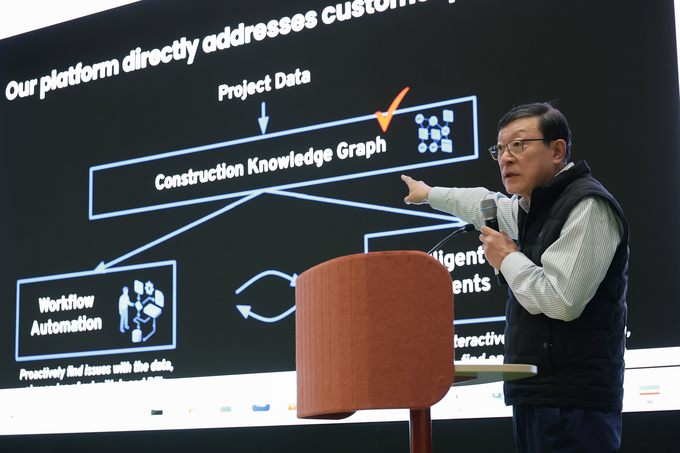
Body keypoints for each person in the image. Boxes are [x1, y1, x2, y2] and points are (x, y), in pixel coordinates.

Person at [402, 103, 629, 453]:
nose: (506, 158)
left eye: (518, 145)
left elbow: (562, 301)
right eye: (500, 149)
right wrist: (428, 193)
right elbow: (479, 202)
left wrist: (507, 258)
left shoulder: (587, 206)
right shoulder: (531, 208)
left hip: (574, 402)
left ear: (557, 150)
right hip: (534, 394)